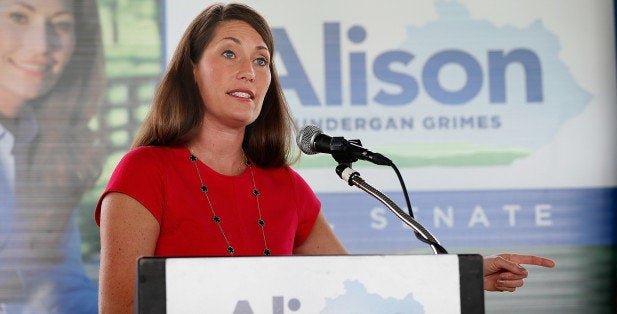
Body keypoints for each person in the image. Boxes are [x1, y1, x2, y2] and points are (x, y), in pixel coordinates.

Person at [95, 3, 555, 313]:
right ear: (191, 70)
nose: (249, 71)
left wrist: (467, 276)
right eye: (229, 53)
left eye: (261, 60)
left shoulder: (286, 186)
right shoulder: (144, 171)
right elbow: (119, 308)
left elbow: (352, 291)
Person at [0, 0, 104, 313]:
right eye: (18, 16)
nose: (42, 45)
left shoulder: (44, 146)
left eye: (60, 24)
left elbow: (61, 287)